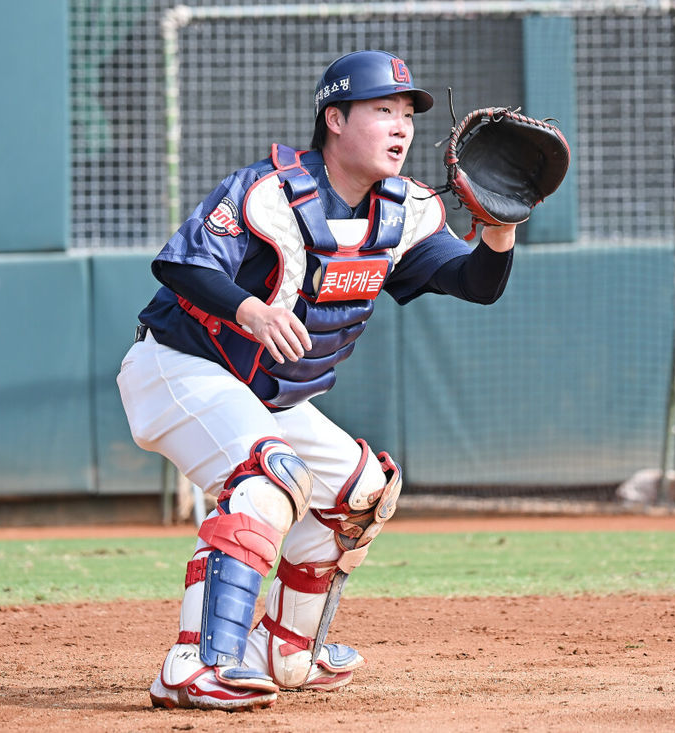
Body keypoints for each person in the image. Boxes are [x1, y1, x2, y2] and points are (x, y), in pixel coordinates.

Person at [116, 50, 517, 711]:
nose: (401, 126)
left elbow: (474, 284)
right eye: (382, 110)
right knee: (268, 474)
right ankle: (196, 662)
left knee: (362, 490)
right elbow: (181, 264)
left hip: (263, 394)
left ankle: (282, 647)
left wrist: (499, 234)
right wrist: (249, 307)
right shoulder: (270, 190)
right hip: (177, 366)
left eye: (408, 113)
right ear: (335, 118)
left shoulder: (404, 211)